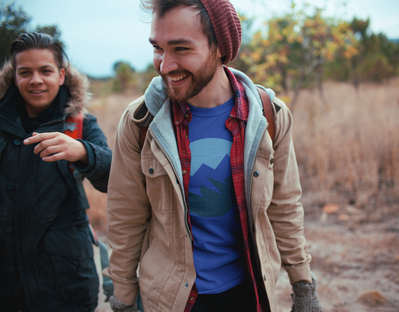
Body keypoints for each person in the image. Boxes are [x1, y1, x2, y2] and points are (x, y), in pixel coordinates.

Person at [105, 1, 324, 311]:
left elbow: (285, 207)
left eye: (181, 49)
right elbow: (125, 219)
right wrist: (124, 299)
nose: (165, 65)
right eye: (158, 48)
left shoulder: (268, 116)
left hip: (250, 292)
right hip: (175, 301)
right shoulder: (141, 121)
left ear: (221, 47)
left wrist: (303, 286)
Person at [0, 32, 111, 312]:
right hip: (0, 285)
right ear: (13, 76)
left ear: (62, 75)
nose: (36, 80)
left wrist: (82, 151)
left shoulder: (80, 124)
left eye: (45, 70)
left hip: (65, 288)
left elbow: (113, 180)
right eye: (25, 72)